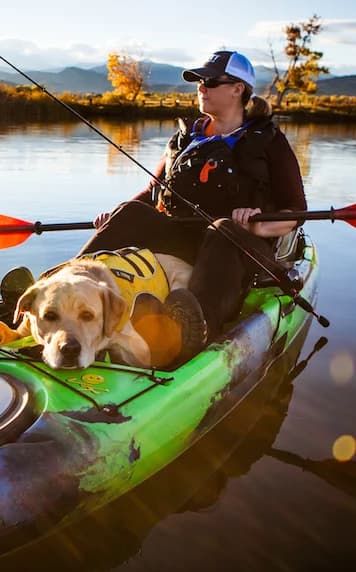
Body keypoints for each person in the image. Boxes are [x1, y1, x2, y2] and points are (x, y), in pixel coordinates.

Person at [77, 50, 307, 365]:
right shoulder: (186, 137)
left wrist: (259, 226)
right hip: (183, 239)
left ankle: (192, 329)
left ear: (238, 89)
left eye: (210, 81)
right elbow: (150, 191)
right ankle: (66, 285)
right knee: (130, 212)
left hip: (238, 248)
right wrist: (117, 217)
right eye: (199, 81)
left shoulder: (268, 141)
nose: (201, 87)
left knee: (223, 229)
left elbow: (296, 210)